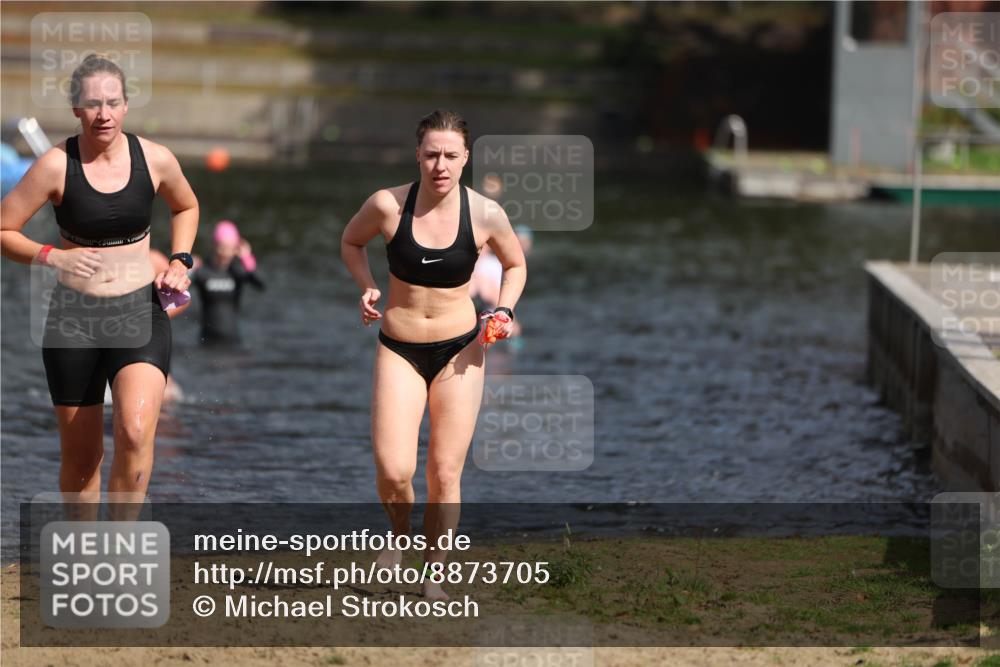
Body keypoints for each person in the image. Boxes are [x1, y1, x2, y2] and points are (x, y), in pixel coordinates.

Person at [341, 109, 527, 600]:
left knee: (444, 471)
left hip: (460, 350)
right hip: (398, 347)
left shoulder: (485, 213)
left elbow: (515, 263)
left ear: (465, 158)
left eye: (450, 155)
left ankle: (435, 573)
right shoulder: (387, 205)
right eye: (431, 154)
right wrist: (366, 287)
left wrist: (504, 310)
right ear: (417, 155)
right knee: (394, 470)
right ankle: (398, 536)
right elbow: (350, 241)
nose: (439, 165)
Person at [0, 54, 198, 509]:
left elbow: (186, 207)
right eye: (92, 104)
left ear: (126, 105)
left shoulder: (155, 159)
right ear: (76, 110)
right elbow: (5, 231)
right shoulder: (54, 165)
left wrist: (180, 258)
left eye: (112, 102)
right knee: (82, 457)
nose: (103, 113)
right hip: (74, 319)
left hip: (140, 310)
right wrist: (51, 257)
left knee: (133, 429)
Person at [189, 220, 263, 345]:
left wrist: (247, 259)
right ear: (215, 246)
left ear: (236, 248)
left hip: (232, 339)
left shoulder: (237, 271)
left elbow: (260, 284)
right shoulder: (203, 270)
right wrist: (188, 271)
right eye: (223, 247)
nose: (226, 253)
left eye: (230, 248)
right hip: (207, 340)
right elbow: (179, 290)